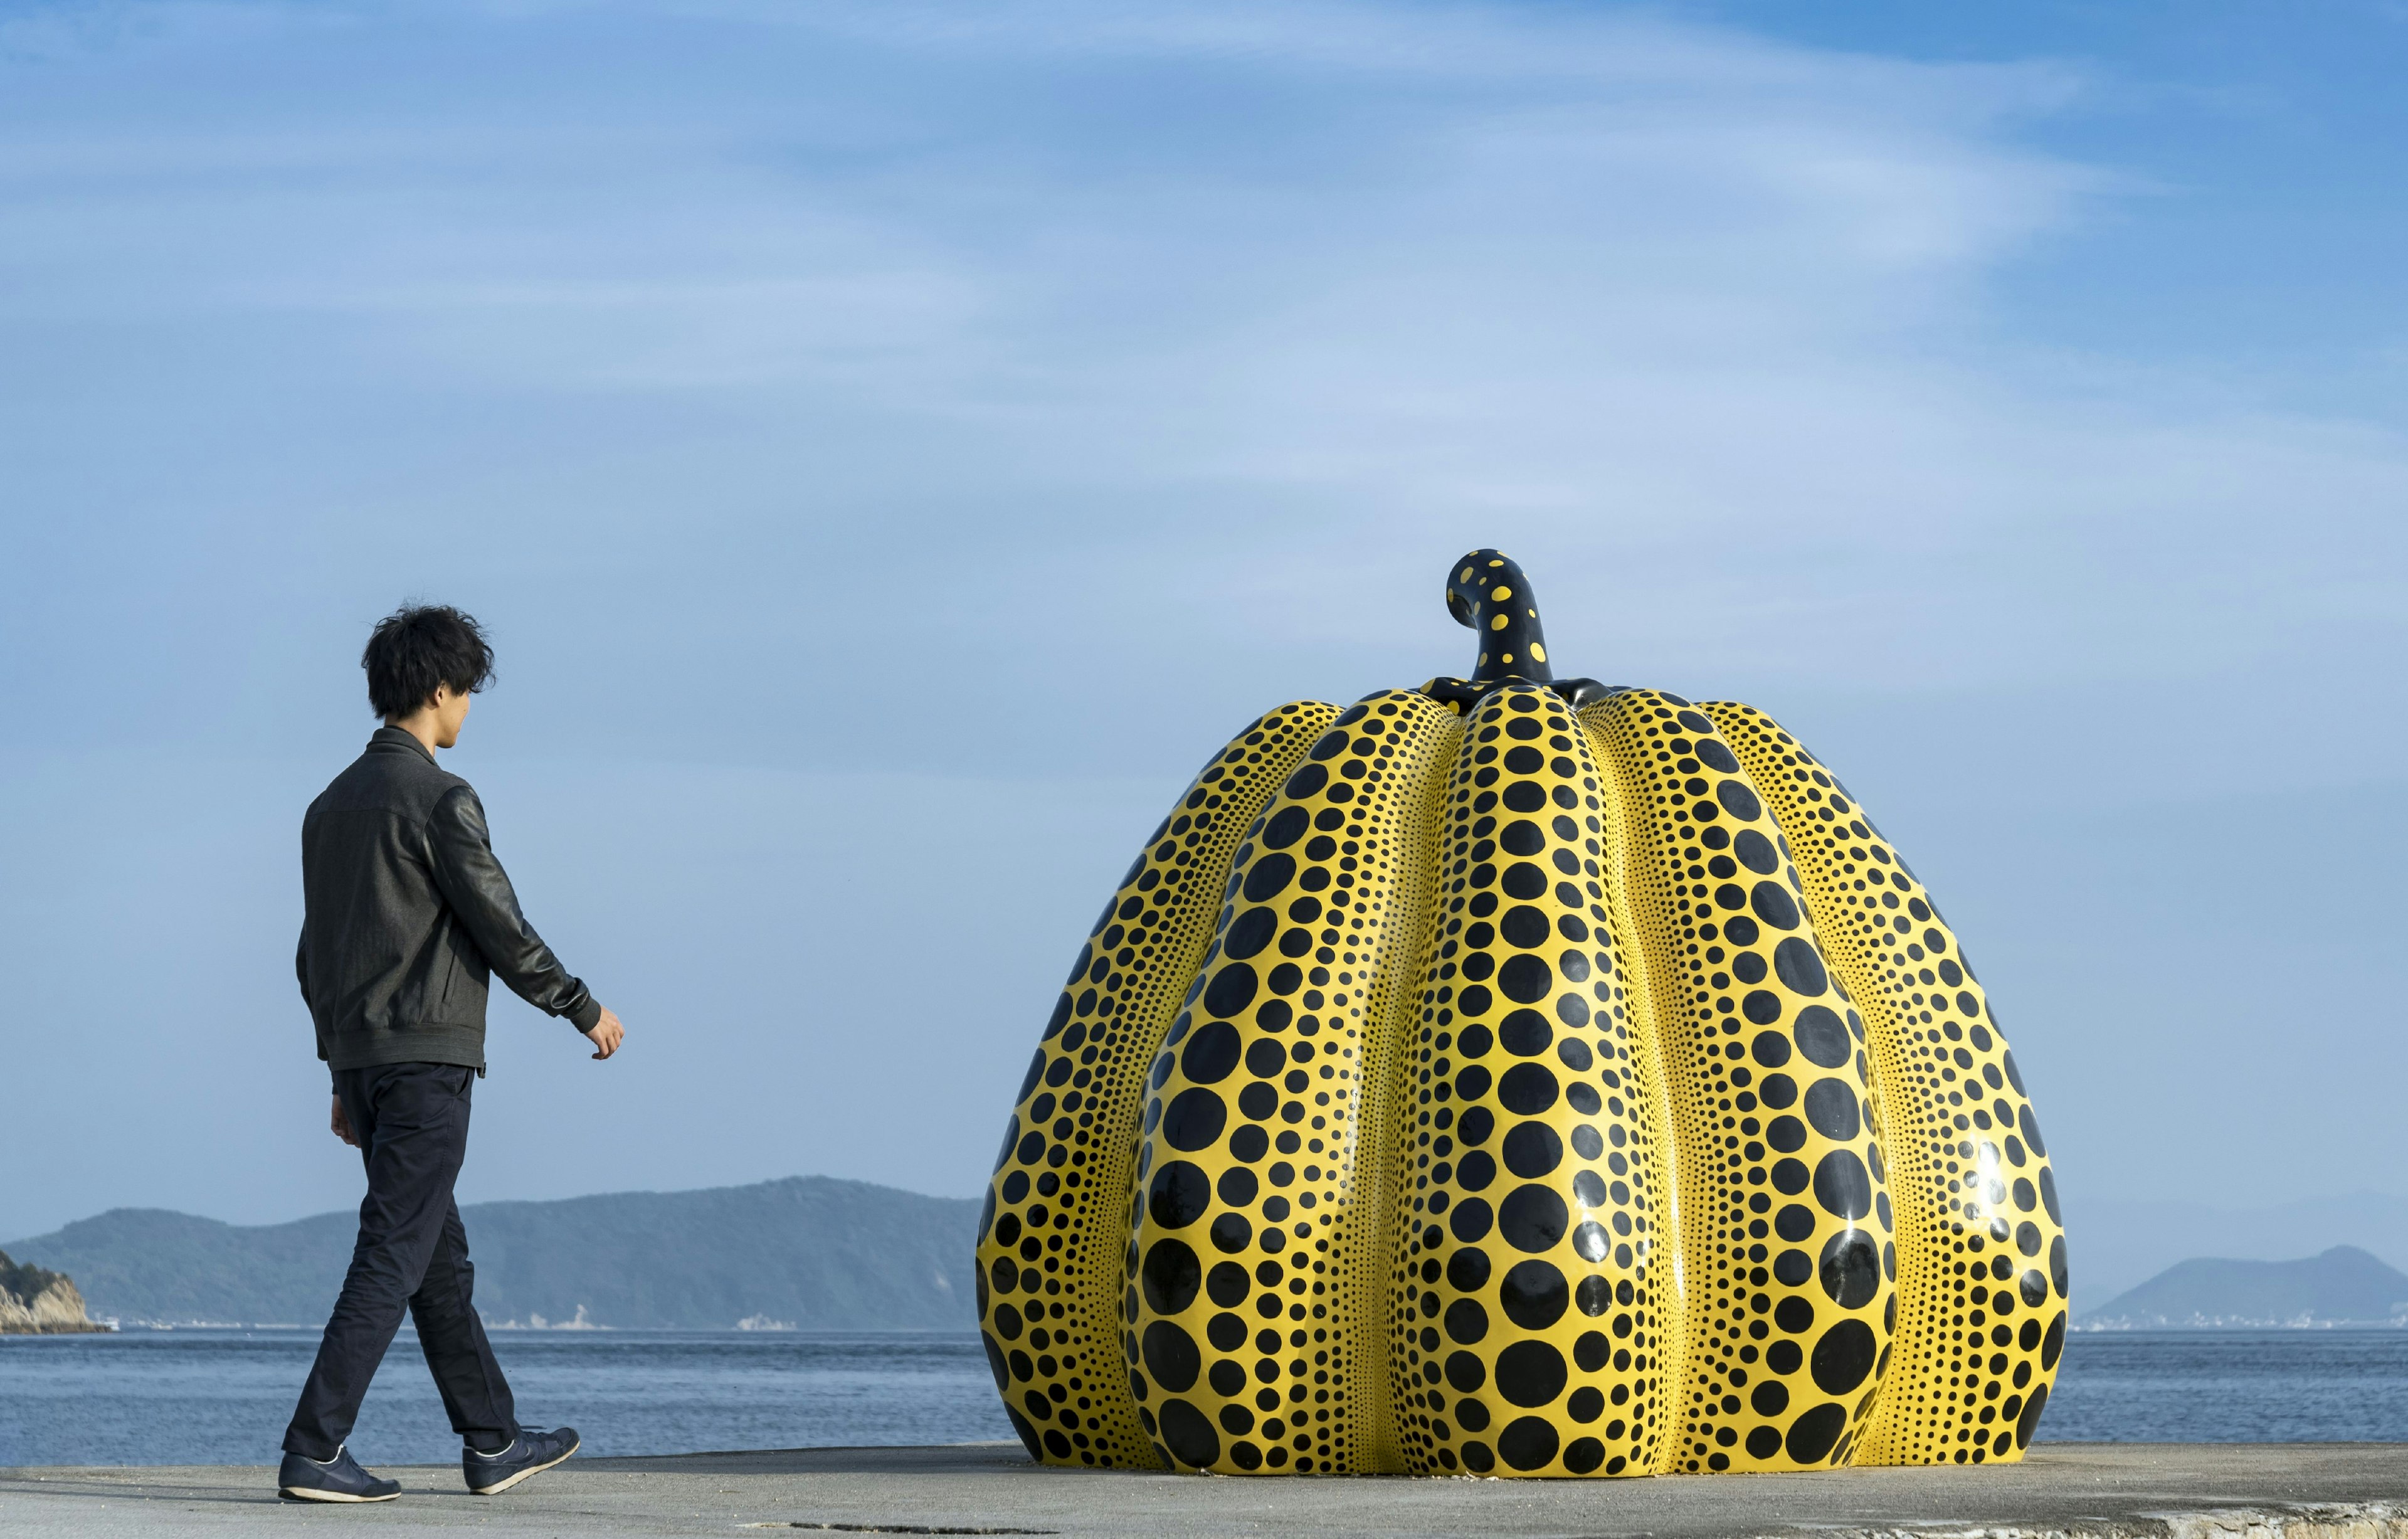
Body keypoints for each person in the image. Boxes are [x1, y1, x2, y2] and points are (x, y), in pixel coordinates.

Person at [277, 605, 626, 1503]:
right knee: (396, 1249)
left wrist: (336, 1070)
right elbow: (499, 924)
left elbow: (314, 955)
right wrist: (579, 1005)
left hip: (361, 1058)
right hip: (427, 1060)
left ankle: (492, 1438)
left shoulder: (329, 806)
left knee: (436, 1257)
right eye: (466, 689)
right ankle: (314, 1448)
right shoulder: (441, 798)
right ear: (439, 690)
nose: (468, 706)